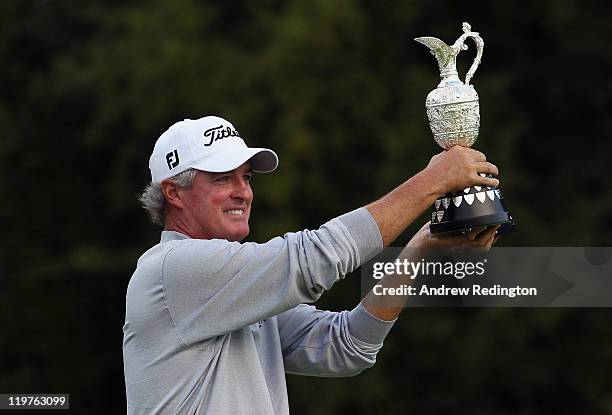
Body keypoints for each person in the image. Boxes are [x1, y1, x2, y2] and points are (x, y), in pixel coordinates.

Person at [122, 115, 500, 414]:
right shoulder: (172, 268)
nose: (244, 191)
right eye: (223, 178)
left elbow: (347, 345)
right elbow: (314, 258)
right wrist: (432, 181)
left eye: (247, 177)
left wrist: (423, 244)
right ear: (173, 192)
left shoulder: (232, 288)